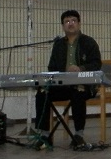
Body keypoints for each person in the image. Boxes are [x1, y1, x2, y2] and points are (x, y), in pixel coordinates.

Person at [34, 9, 103, 150]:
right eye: (66, 21)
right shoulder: (58, 44)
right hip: (63, 86)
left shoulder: (89, 42)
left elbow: (96, 64)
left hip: (84, 85)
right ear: (63, 26)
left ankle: (78, 135)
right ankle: (44, 135)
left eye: (73, 20)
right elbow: (51, 67)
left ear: (79, 23)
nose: (70, 24)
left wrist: (80, 68)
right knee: (42, 92)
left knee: (78, 91)